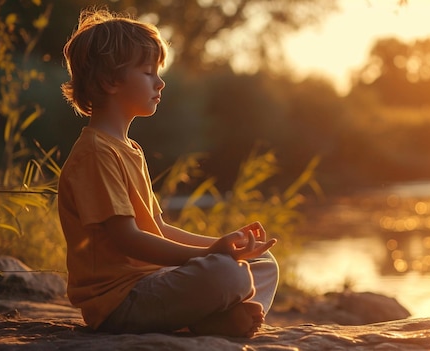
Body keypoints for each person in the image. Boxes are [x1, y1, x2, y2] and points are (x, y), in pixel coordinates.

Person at [57, 8, 279, 338]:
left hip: (154, 285)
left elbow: (157, 228)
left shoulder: (129, 148)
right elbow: (128, 240)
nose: (160, 82)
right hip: (121, 302)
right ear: (109, 81)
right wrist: (210, 253)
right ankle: (213, 318)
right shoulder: (95, 153)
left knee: (263, 264)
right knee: (226, 273)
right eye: (148, 72)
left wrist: (227, 246)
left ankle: (216, 318)